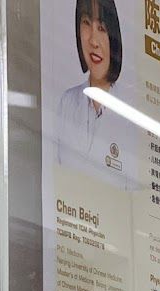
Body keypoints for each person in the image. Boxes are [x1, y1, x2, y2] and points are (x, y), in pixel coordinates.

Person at [55, 0, 135, 187]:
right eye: (86, 23)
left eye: (102, 28)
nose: (93, 40)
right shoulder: (66, 102)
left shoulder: (131, 116)